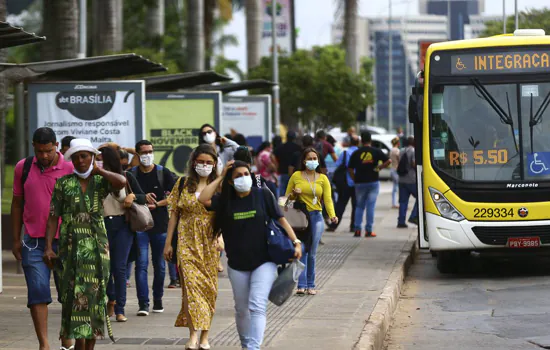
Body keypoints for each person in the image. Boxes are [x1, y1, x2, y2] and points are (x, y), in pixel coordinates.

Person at [199, 160, 302, 350]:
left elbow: (281, 219)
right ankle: (246, 344)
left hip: (264, 260)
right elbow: (203, 199)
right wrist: (221, 176)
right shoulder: (224, 200)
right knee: (241, 309)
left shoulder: (262, 195)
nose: (244, 178)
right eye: (238, 176)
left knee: (257, 305)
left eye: (246, 174)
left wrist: (295, 242)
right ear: (230, 182)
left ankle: (253, 347)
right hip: (237, 264)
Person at [43, 138, 127, 348]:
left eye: (85, 156)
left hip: (97, 247)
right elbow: (53, 217)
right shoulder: (64, 183)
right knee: (72, 297)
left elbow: (121, 182)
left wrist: (100, 171)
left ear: (92, 158)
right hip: (69, 247)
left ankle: (89, 345)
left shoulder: (100, 181)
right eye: (77, 157)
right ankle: (75, 343)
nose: (81, 161)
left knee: (95, 297)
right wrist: (47, 248)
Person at [11, 127, 74, 350]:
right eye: (40, 151)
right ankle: (44, 343)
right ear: (33, 148)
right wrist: (15, 239)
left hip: (65, 241)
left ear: (56, 146)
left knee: (68, 292)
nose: (44, 156)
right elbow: (17, 203)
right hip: (33, 241)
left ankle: (66, 332)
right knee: (37, 291)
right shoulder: (24, 167)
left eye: (48, 151)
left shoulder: (70, 167)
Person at [163, 145, 221, 350]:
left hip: (209, 243)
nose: (204, 166)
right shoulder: (182, 184)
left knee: (208, 290)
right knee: (190, 289)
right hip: (186, 241)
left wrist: (221, 238)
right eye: (200, 162)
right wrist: (168, 243)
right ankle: (193, 335)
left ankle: (206, 336)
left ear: (214, 164)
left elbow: (224, 215)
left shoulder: (219, 187)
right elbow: (174, 214)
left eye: (208, 162)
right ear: (193, 162)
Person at [99, 146, 146, 323]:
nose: (98, 163)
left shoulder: (126, 177)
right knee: (105, 268)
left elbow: (142, 197)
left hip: (122, 225)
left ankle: (120, 308)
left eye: (101, 159)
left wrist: (132, 197)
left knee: (119, 267)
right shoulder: (95, 178)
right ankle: (111, 298)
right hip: (101, 225)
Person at [130, 140, 177, 315]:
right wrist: (141, 198)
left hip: (160, 225)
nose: (147, 155)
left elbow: (174, 196)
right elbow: (126, 196)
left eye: (150, 151)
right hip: (140, 225)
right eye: (143, 152)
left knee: (160, 265)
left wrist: (158, 204)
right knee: (141, 264)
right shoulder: (131, 174)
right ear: (137, 154)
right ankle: (143, 303)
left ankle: (158, 300)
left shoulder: (163, 172)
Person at [286, 148, 337, 295]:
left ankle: (311, 285)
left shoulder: (323, 178)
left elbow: (327, 199)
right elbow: (285, 201)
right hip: (301, 218)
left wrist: (332, 215)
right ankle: (301, 285)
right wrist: (293, 195)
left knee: (312, 252)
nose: (312, 161)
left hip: (316, 217)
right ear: (304, 161)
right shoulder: (296, 176)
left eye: (315, 158)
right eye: (310, 158)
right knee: (302, 250)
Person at [348, 131, 391, 238]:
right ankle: (368, 231)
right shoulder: (376, 151)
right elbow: (388, 160)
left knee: (359, 206)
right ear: (370, 140)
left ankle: (357, 230)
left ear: (361, 141)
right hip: (373, 181)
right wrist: (379, 168)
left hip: (359, 183)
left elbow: (350, 168)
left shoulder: (356, 153)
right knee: (370, 207)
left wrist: (354, 179)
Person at [328, 135, 359, 233]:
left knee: (340, 205)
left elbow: (337, 165)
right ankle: (353, 226)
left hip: (345, 184)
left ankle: (333, 226)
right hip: (357, 183)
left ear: (350, 143)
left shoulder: (345, 153)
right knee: (356, 206)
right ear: (358, 143)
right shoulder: (360, 153)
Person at [397, 136, 419, 228]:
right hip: (411, 179)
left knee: (403, 201)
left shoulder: (401, 150)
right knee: (421, 197)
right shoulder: (413, 151)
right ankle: (414, 216)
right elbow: (414, 163)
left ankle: (401, 222)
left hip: (402, 179)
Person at [274, 131, 302, 196]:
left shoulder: (281, 147)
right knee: (293, 192)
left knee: (283, 191)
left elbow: (272, 155)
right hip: (295, 173)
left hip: (283, 172)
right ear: (294, 138)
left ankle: (283, 205)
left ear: (286, 137)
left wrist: (277, 166)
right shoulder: (298, 147)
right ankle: (291, 205)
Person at [390, 137, 401, 209]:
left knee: (394, 187)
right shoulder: (397, 150)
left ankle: (394, 202)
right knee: (397, 187)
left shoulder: (391, 150)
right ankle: (396, 203)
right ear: (397, 143)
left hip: (392, 169)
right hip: (396, 169)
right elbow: (399, 159)